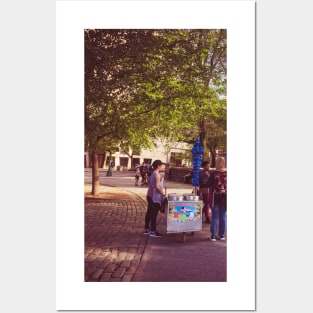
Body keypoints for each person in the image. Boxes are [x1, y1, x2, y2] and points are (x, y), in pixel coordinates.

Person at [144, 159, 165, 238]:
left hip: (150, 195)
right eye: (161, 165)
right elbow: (157, 186)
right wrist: (162, 193)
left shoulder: (152, 173)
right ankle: (153, 231)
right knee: (154, 214)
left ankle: (146, 229)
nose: (162, 167)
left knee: (149, 212)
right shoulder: (157, 174)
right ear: (158, 166)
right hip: (155, 197)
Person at [209, 157, 227, 241]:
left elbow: (209, 184)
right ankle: (222, 235)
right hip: (225, 197)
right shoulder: (227, 173)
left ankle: (213, 235)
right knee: (223, 216)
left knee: (215, 217)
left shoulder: (213, 174)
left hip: (215, 197)